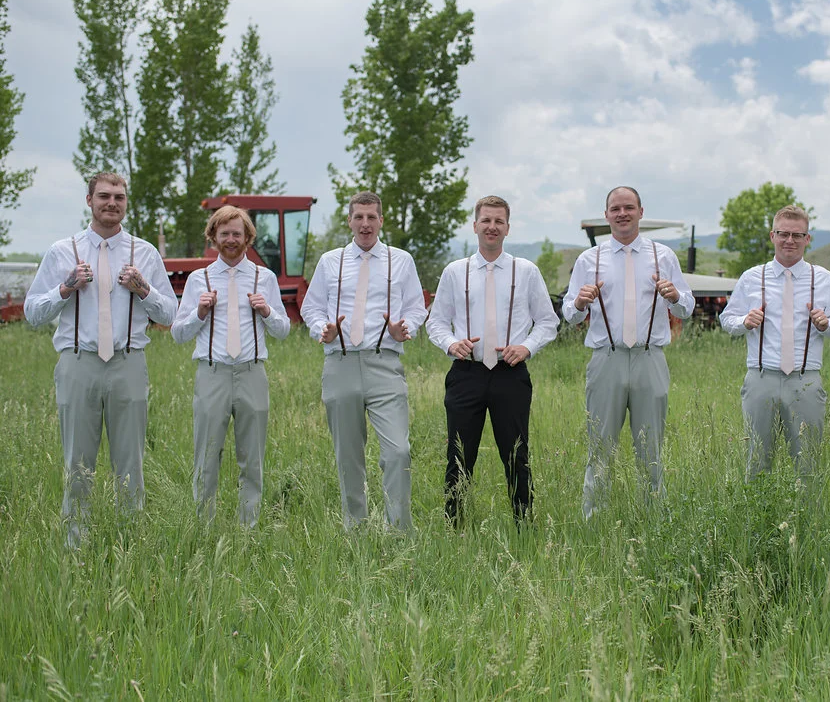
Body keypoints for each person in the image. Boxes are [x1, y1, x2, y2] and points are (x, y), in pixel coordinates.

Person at [24, 172, 177, 547]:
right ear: (89, 200)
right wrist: (65, 288)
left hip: (128, 362)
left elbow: (171, 314)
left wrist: (143, 289)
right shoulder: (63, 251)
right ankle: (76, 545)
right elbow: (31, 312)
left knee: (131, 464)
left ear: (126, 203)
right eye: (104, 196)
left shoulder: (145, 253)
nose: (112, 203)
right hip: (79, 363)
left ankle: (129, 543)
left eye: (119, 197)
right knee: (78, 463)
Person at [563, 186, 695, 518]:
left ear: (640, 211)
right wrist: (580, 302)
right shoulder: (589, 260)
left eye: (629, 208)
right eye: (616, 208)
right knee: (600, 446)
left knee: (650, 446)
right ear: (607, 215)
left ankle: (654, 519)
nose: (622, 214)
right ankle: (593, 519)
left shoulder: (662, 256)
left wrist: (675, 296)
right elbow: (569, 313)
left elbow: (687, 309)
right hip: (606, 358)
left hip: (650, 358)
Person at [427, 195, 559, 525]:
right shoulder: (455, 272)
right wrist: (450, 343)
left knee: (517, 456)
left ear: (508, 228)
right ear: (475, 225)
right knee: (458, 456)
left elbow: (547, 321)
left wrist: (526, 347)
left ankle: (524, 528)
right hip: (466, 374)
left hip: (510, 375)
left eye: (499, 221)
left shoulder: (525, 271)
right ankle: (453, 530)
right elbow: (436, 322)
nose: (492, 226)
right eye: (486, 220)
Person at [300, 191, 427, 530]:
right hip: (340, 363)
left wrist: (406, 328)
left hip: (384, 363)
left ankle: (399, 531)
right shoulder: (330, 261)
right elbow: (310, 307)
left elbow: (416, 306)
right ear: (350, 220)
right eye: (359, 217)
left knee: (398, 452)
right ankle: (355, 529)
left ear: (381, 220)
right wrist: (321, 329)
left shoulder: (401, 260)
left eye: (372, 217)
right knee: (349, 456)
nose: (366, 224)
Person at [171, 206, 290, 527]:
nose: (231, 240)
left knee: (252, 457)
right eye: (224, 234)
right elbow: (178, 334)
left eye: (237, 233)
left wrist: (266, 311)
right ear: (213, 237)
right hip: (213, 374)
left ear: (248, 237)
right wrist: (198, 312)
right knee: (207, 456)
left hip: (252, 373)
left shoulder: (264, 278)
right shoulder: (200, 279)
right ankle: (204, 525)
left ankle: (248, 526)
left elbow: (283, 330)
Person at [718, 205, 830, 484]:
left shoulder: (823, 278)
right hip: (761, 378)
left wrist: (827, 324)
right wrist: (744, 322)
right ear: (772, 236)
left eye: (797, 235)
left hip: (805, 379)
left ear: (807, 238)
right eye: (783, 234)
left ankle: (806, 524)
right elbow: (726, 319)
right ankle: (758, 524)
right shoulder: (753, 277)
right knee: (758, 459)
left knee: (808, 461)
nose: (789, 240)